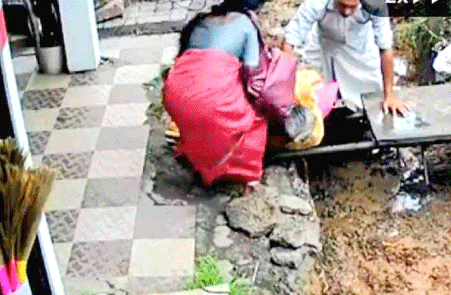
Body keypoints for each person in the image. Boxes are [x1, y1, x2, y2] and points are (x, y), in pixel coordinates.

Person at [163, 0, 266, 186]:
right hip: (210, 99)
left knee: (201, 118)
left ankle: (199, 160)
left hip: (175, 96)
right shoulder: (246, 23)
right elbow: (253, 75)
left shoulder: (201, 21)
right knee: (255, 120)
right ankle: (247, 179)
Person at [282, 0, 407, 116]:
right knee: (317, 99)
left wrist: (389, 95)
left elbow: (385, 48)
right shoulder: (316, 3)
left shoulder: (375, 5)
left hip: (361, 50)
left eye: (352, 7)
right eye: (342, 5)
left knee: (371, 100)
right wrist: (287, 85)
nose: (347, 12)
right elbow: (290, 39)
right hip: (324, 46)